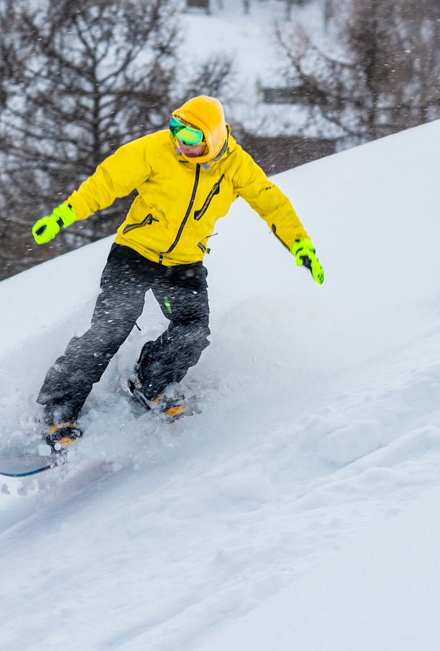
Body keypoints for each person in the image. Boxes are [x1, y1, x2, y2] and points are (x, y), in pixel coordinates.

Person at [30, 95, 324, 452]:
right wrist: (64, 214)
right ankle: (58, 409)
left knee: (193, 329)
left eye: (190, 136)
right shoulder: (156, 150)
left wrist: (299, 244)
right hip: (135, 252)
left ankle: (150, 383)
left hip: (183, 262)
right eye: (176, 132)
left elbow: (271, 202)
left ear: (213, 138)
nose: (181, 142)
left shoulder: (236, 166)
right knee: (112, 325)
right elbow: (107, 181)